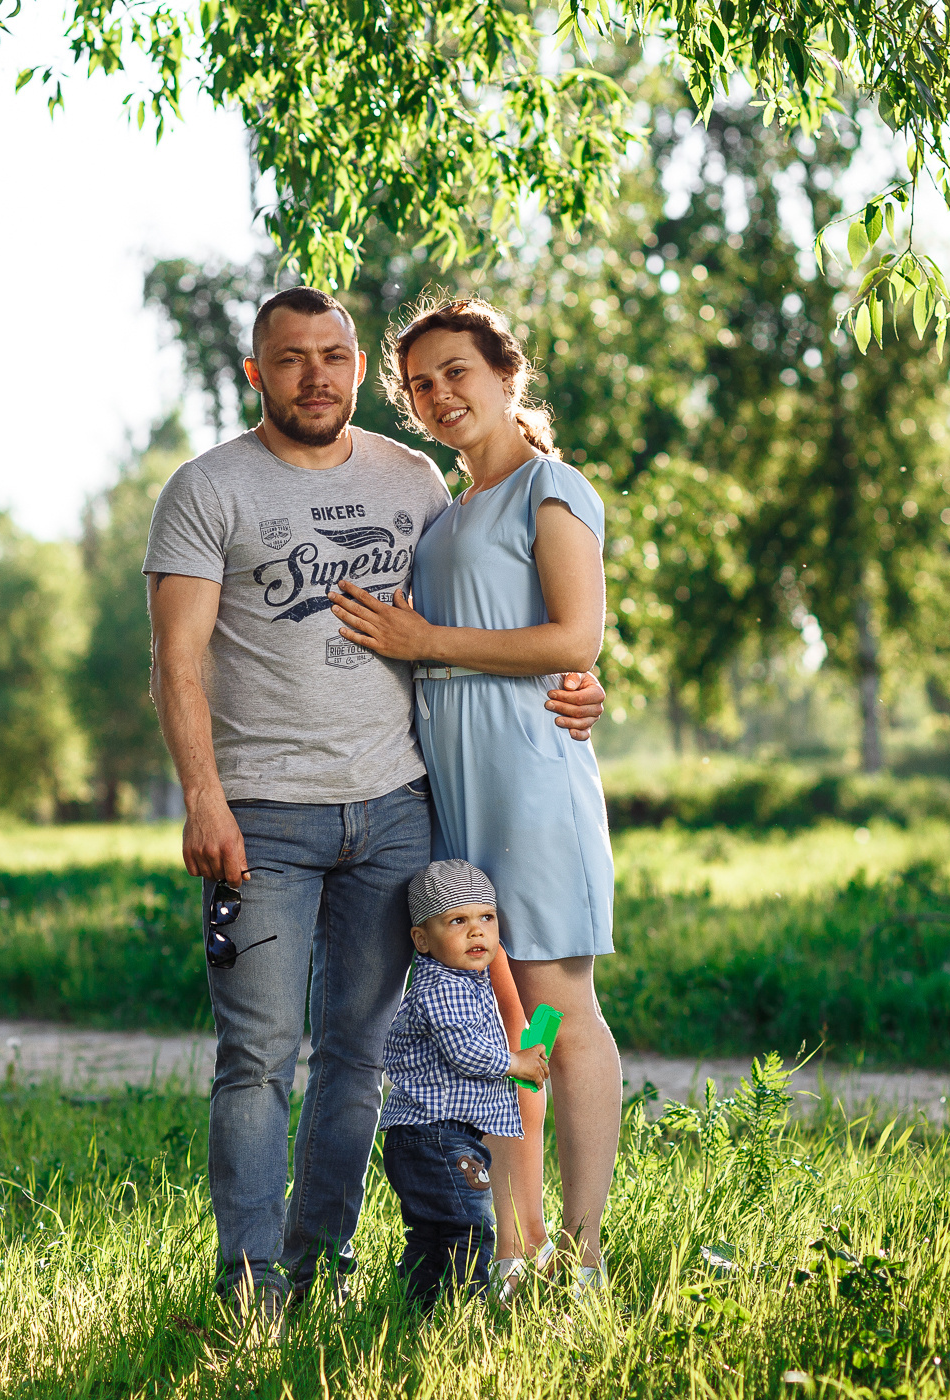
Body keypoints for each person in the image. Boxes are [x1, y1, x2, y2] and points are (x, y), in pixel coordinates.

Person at [142, 286, 605, 1329]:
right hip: (264, 811)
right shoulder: (208, 487)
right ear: (255, 374)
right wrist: (203, 797)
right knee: (257, 1055)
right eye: (292, 357)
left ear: (357, 370)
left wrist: (579, 679)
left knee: (359, 1055)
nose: (316, 374)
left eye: (334, 355)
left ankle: (322, 1262)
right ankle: (251, 1285)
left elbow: (505, 606)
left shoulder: (416, 479)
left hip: (400, 806)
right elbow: (175, 661)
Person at [329, 297, 622, 1299]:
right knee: (506, 1029)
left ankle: (584, 1254)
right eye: (421, 384)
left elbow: (572, 640)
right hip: (459, 791)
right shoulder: (444, 516)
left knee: (555, 1007)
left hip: (533, 785)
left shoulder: (552, 486)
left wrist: (429, 643)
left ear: (506, 374)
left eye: (458, 371)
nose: (441, 393)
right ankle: (520, 1238)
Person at [377, 859, 549, 1308]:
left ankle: (416, 1309)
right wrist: (517, 1064)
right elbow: (465, 1051)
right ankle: (461, 1314)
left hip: (437, 1137)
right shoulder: (442, 986)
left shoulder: (468, 981)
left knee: (435, 1232)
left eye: (486, 918)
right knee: (469, 1227)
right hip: (435, 1137)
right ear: (422, 939)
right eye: (458, 921)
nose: (477, 932)